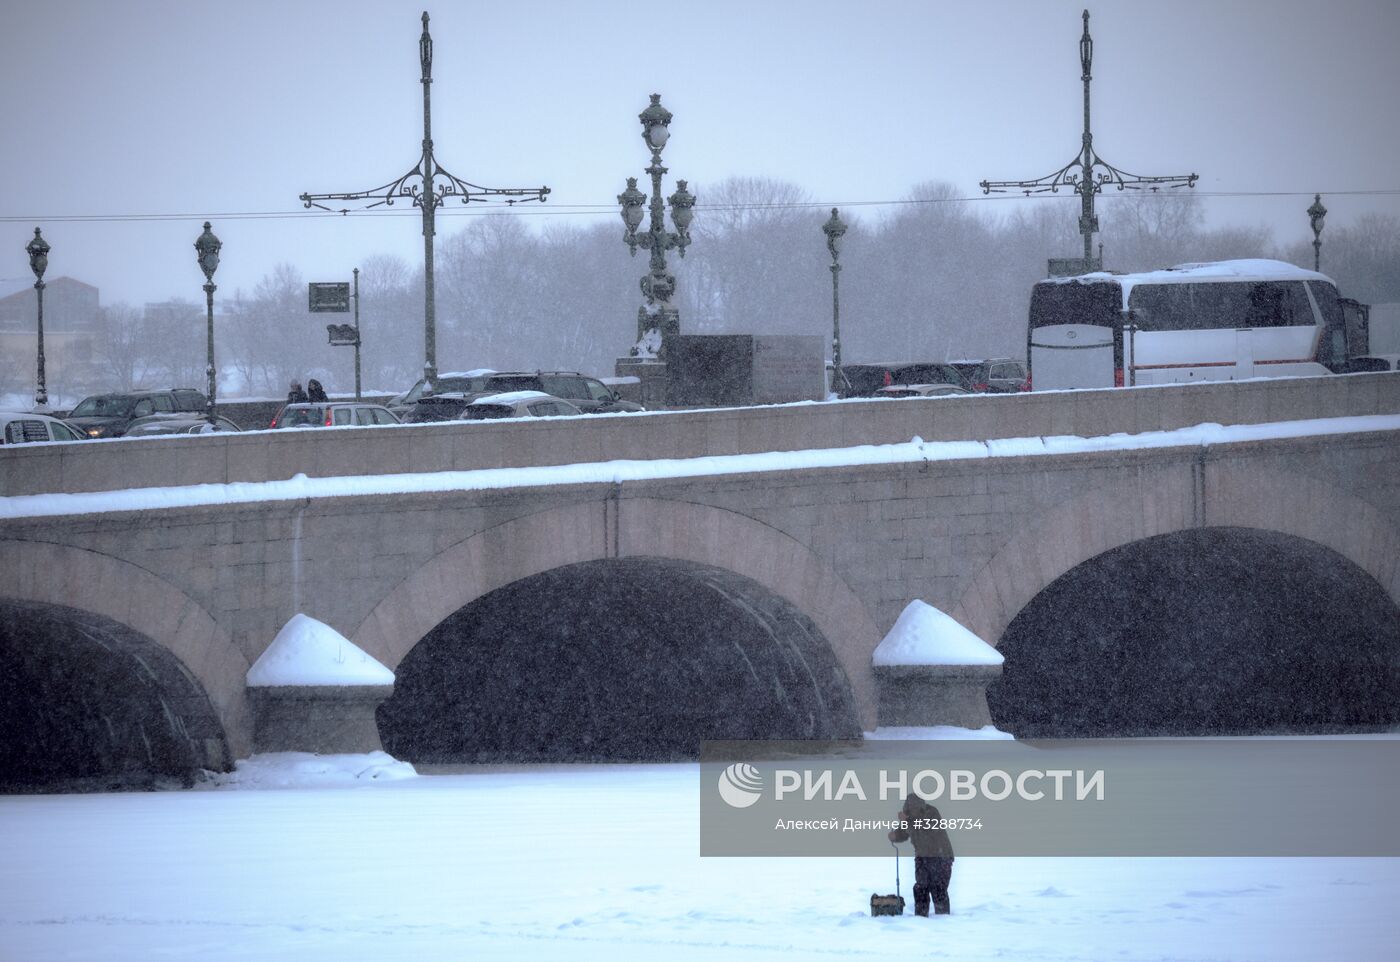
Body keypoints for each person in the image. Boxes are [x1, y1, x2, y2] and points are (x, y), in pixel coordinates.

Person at [888, 791, 955, 916]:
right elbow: (903, 833)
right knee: (920, 888)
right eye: (909, 809)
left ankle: (944, 921)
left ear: (920, 807)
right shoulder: (909, 818)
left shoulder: (931, 813)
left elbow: (924, 829)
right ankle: (920, 919)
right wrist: (894, 836)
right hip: (922, 858)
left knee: (938, 889)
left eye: (914, 808)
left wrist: (907, 821)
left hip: (941, 857)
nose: (911, 811)